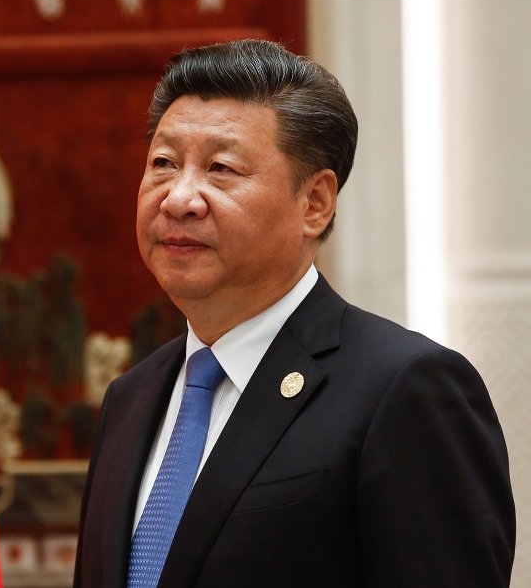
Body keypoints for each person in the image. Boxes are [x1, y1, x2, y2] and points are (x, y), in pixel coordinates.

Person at [74, 40, 515, 587]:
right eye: (163, 163)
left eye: (221, 168)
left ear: (315, 203)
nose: (179, 197)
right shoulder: (131, 399)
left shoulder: (404, 390)